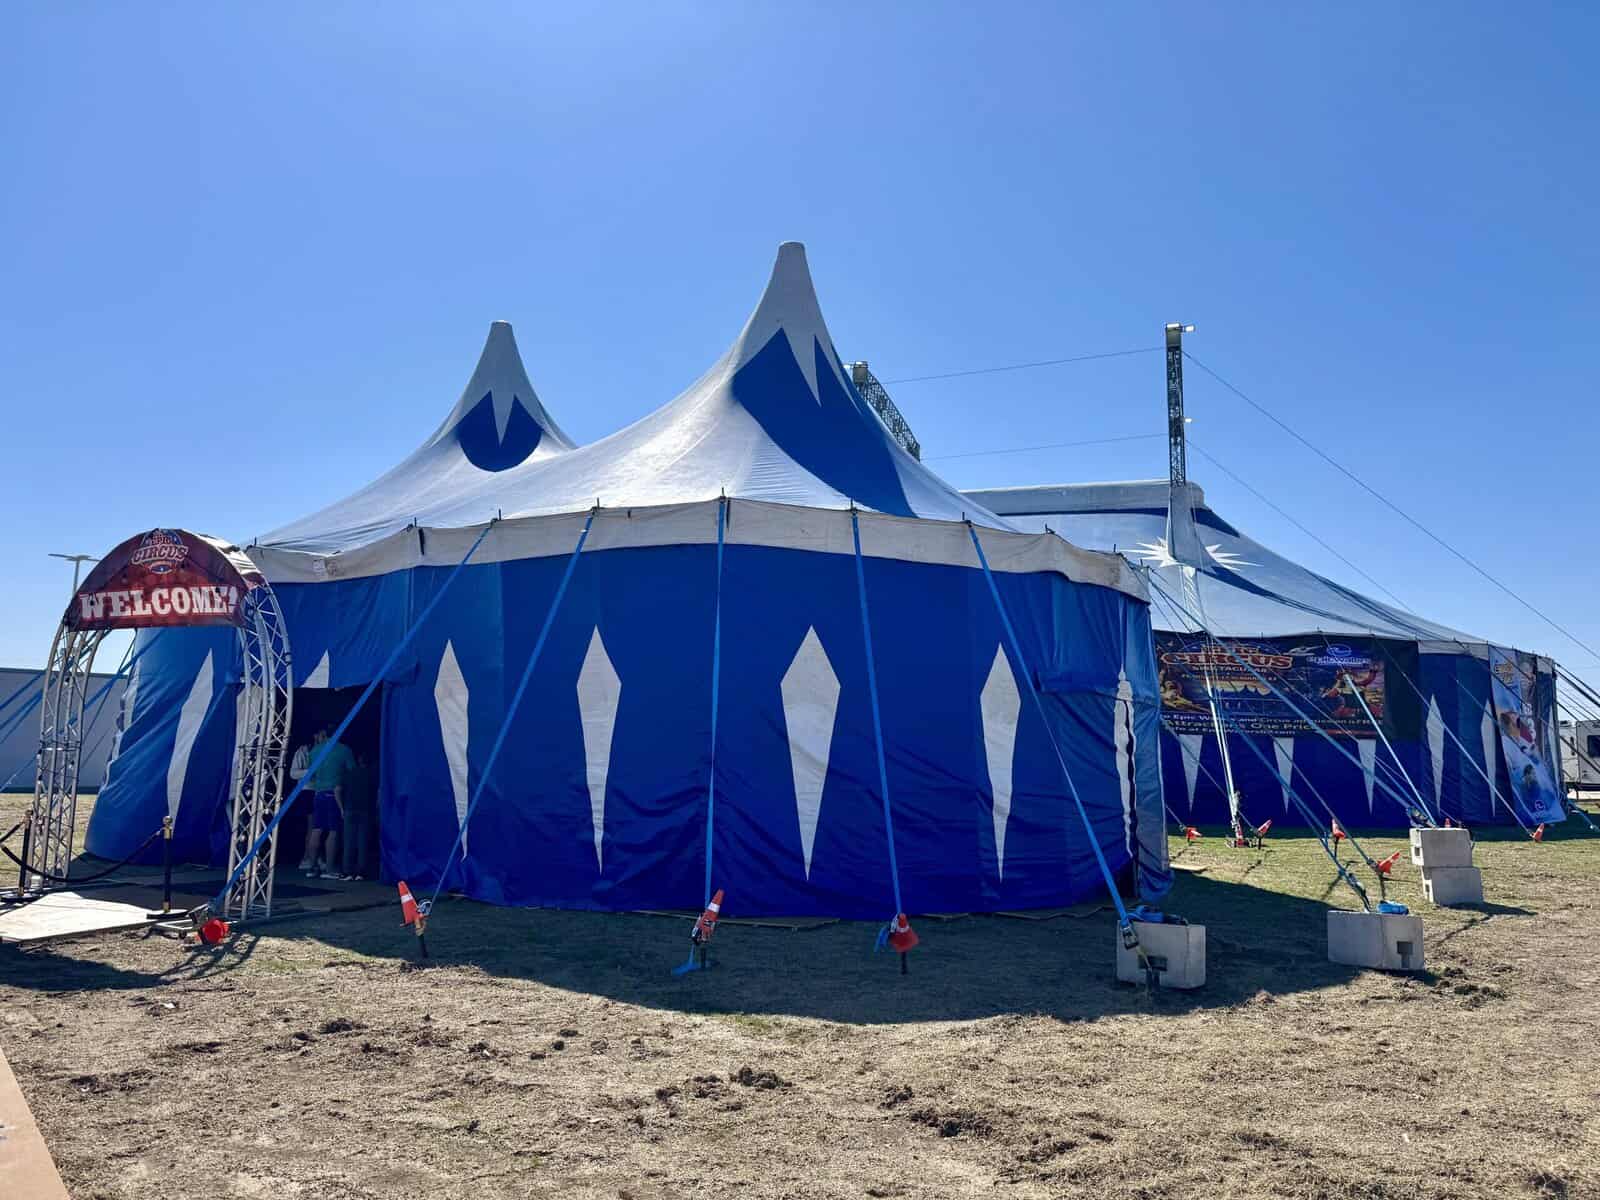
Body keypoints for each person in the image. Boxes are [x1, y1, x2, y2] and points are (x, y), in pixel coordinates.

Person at [299, 727, 354, 878]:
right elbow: (352, 773)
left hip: (318, 793)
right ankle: (329, 869)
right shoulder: (344, 750)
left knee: (317, 829)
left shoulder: (315, 750)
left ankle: (312, 867)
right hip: (334, 794)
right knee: (333, 831)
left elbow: (311, 774)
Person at [338, 750, 377, 881]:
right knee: (362, 842)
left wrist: (341, 808)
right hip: (365, 810)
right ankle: (361, 872)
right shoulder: (372, 775)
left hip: (350, 809)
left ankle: (347, 871)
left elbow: (337, 789)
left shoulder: (349, 773)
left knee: (348, 841)